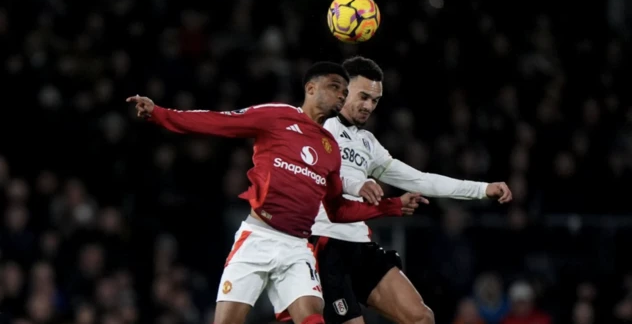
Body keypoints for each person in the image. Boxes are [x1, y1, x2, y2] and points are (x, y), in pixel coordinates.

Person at [126, 61, 426, 324]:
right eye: (335, 87)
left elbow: (338, 210)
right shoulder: (277, 116)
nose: (341, 95)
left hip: (297, 248)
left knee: (312, 317)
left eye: (344, 91)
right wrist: (160, 114)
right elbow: (219, 122)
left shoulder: (330, 149)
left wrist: (392, 206)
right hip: (258, 237)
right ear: (310, 88)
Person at [310, 56, 513, 324]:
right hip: (324, 245)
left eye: (375, 100)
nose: (369, 105)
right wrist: (359, 184)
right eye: (363, 96)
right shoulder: (318, 126)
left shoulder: (368, 143)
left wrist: (483, 189)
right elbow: (321, 175)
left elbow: (421, 180)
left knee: (422, 318)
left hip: (360, 245)